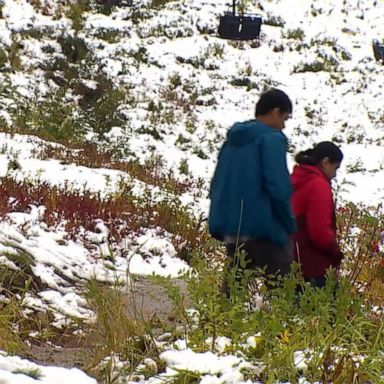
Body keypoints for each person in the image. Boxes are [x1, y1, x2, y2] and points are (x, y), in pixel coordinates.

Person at [208, 88, 296, 292]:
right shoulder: (272, 139)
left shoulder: (232, 142)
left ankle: (218, 323)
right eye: (284, 118)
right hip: (264, 228)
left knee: (233, 290)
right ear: (275, 112)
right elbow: (278, 188)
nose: (283, 125)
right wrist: (289, 223)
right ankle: (288, 324)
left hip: (234, 229)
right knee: (283, 291)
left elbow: (218, 184)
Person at [291, 142, 344, 288]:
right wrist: (336, 254)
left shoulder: (293, 181)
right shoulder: (318, 185)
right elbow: (319, 231)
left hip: (291, 265)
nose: (334, 174)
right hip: (316, 267)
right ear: (325, 162)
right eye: (335, 168)